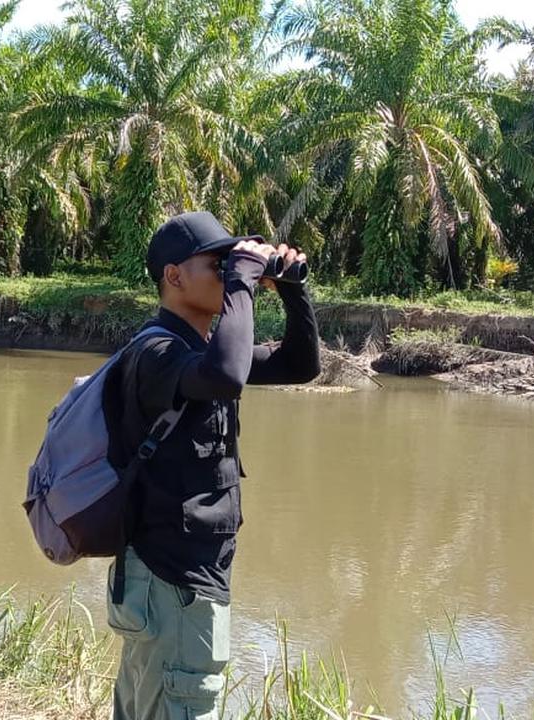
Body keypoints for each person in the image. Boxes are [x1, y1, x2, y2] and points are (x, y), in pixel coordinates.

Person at [104, 211, 321, 720]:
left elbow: (300, 364)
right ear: (173, 276)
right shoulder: (157, 350)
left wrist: (292, 288)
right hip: (173, 580)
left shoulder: (196, 351)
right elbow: (227, 375)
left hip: (177, 581)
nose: (228, 272)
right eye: (217, 264)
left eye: (232, 263)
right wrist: (243, 281)